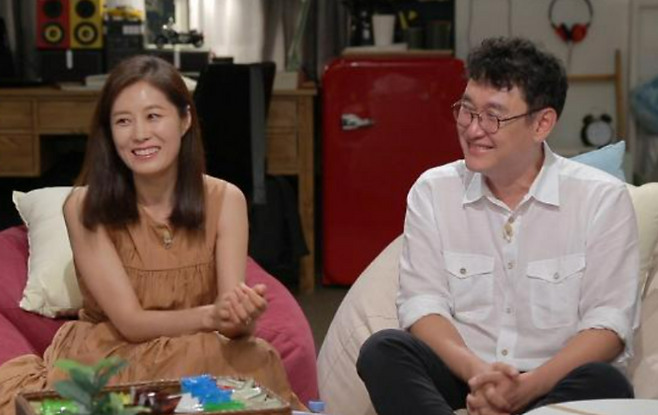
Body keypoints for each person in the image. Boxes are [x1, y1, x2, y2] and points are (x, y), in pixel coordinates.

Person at [356, 37, 640, 415]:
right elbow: (422, 305)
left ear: (542, 123)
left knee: (606, 383)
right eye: (467, 110)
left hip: (551, 379)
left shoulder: (601, 198)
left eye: (493, 116)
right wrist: (479, 376)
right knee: (382, 351)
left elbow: (608, 326)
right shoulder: (433, 190)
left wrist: (527, 387)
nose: (474, 129)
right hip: (464, 372)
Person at [0, 55, 299, 413]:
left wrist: (241, 316)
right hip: (114, 355)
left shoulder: (226, 200)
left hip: (200, 350)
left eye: (154, 116)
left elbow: (231, 325)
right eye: (123, 121)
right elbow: (131, 322)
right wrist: (212, 317)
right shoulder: (83, 208)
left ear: (185, 120)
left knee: (254, 357)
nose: (140, 134)